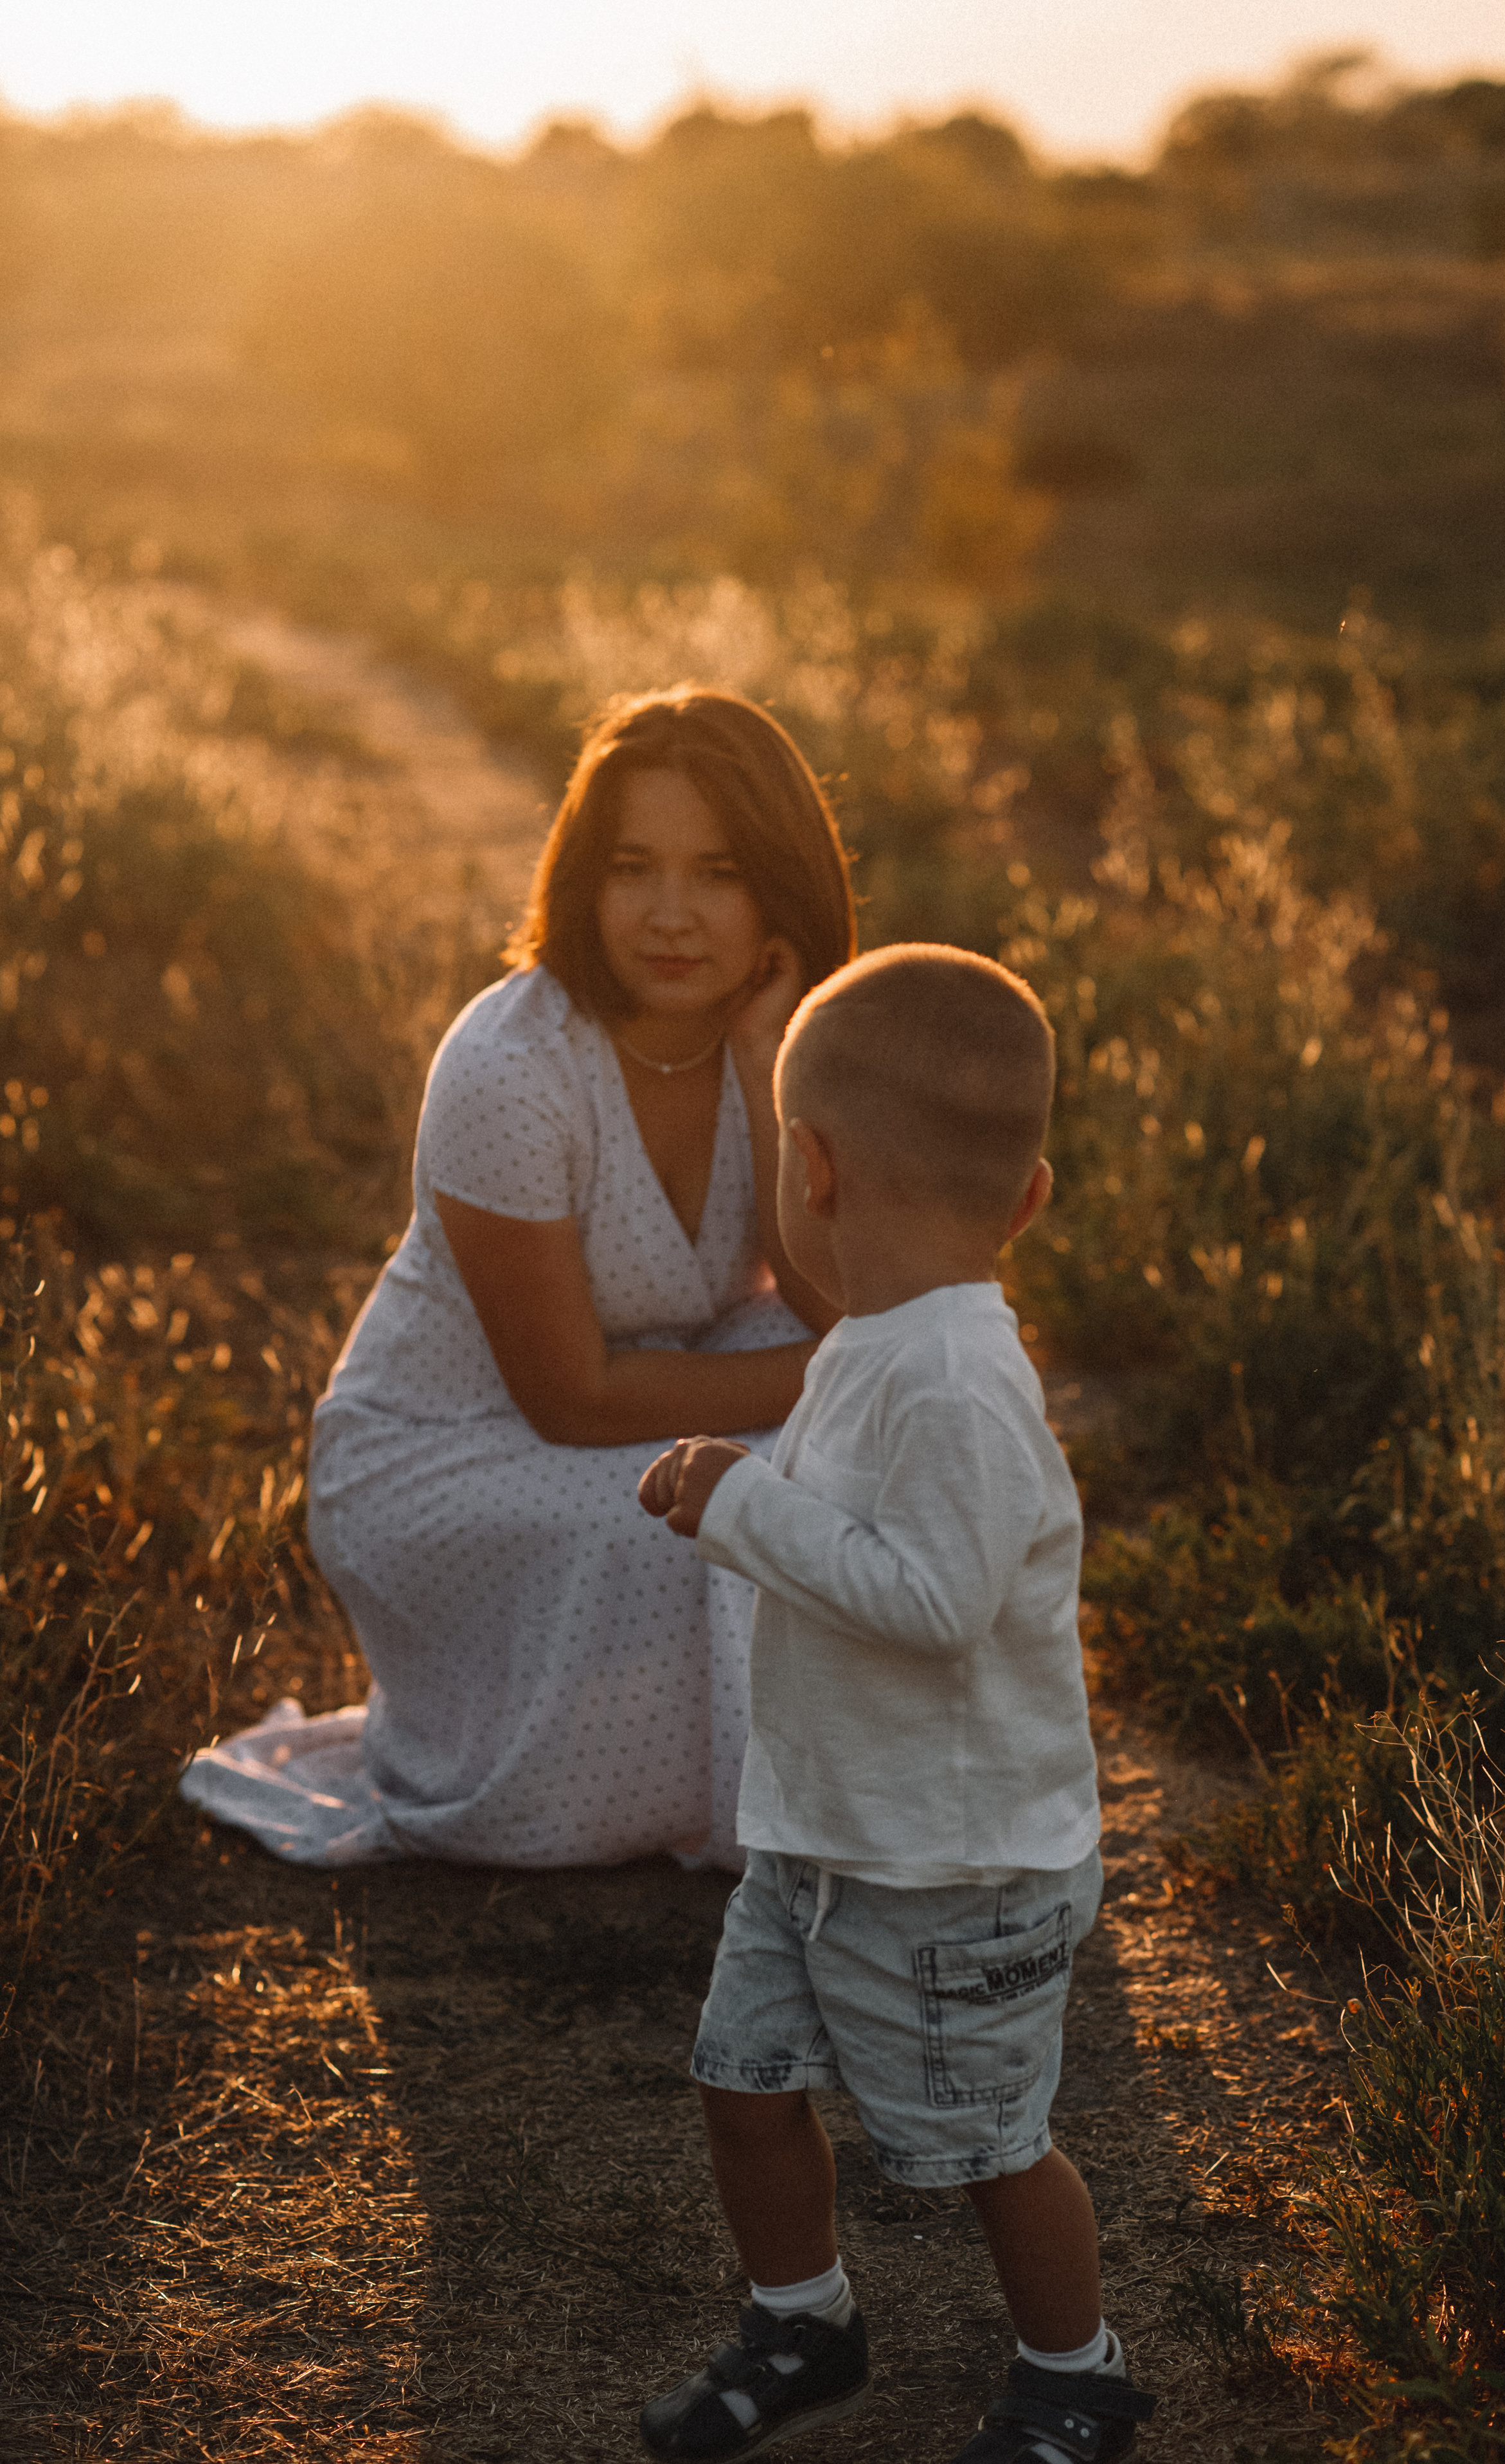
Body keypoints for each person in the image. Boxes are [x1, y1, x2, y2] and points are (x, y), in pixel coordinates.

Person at [177, 688, 853, 1869]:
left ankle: (814, 1773)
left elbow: (828, 1299)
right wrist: (833, 1376)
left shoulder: (786, 1036)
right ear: (584, 879)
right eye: (634, 867)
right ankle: (662, 1791)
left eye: (722, 873)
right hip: (445, 1449)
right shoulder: (510, 1065)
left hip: (658, 1391)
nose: (672, 915)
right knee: (715, 1513)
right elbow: (569, 1396)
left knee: (854, 1456)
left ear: (781, 891)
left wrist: (761, 1072)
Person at [633, 945, 1157, 2464]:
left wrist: (738, 1504)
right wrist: (740, 1495)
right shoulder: (872, 1346)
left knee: (993, 2152)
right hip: (822, 1837)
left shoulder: (957, 1385)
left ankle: (1078, 2372)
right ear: (1028, 1196)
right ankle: (803, 2317)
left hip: (957, 1870)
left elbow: (931, 1606)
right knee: (742, 2085)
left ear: (808, 1166)